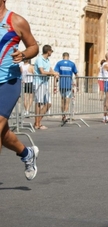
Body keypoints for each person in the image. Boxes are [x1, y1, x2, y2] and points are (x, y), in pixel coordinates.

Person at [0, 2, 39, 180]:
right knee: (4, 133)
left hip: (8, 82)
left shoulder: (16, 21)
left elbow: (34, 46)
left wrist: (23, 55)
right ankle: (26, 153)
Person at [33, 44, 59, 130]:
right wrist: (52, 73)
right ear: (48, 51)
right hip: (38, 83)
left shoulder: (47, 60)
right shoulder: (40, 59)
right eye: (51, 51)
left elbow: (50, 69)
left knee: (49, 103)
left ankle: (38, 121)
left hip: (45, 83)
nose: (51, 52)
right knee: (39, 103)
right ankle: (37, 123)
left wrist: (55, 73)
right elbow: (42, 71)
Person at [54, 52, 78, 123]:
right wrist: (78, 85)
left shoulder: (59, 63)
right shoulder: (72, 64)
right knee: (67, 100)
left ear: (63, 56)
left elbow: (56, 74)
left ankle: (62, 115)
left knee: (62, 100)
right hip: (68, 84)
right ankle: (65, 115)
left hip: (62, 84)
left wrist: (55, 85)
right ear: (68, 56)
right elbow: (76, 74)